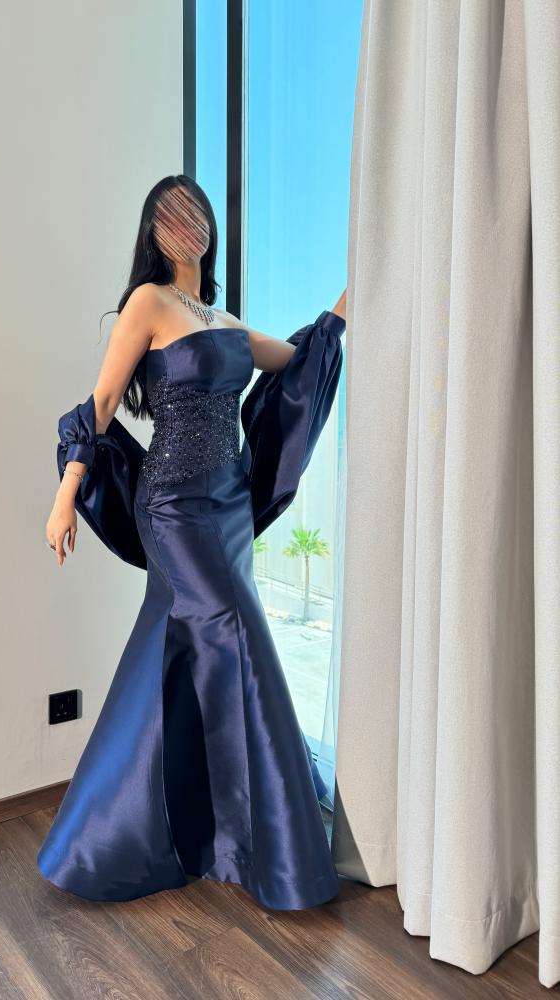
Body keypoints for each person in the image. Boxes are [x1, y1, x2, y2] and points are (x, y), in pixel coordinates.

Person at [37, 174, 347, 909]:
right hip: (173, 506)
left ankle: (167, 826)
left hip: (228, 508)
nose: (185, 225)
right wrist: (65, 496)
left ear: (208, 224)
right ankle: (270, 846)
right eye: (169, 216)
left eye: (194, 211)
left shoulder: (226, 319)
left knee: (183, 647)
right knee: (235, 631)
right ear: (154, 233)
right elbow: (102, 403)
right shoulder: (147, 303)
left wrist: (348, 302)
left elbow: (293, 360)